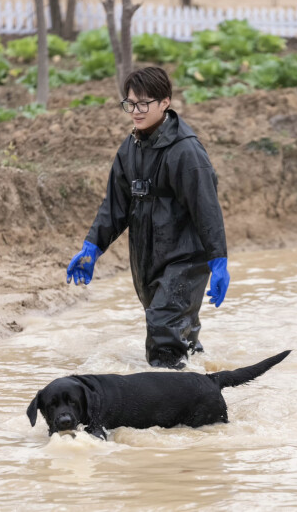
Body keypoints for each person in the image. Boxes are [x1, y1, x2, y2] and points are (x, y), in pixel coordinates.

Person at [67, 66, 229, 369]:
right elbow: (114, 206)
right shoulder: (129, 149)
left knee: (163, 333)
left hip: (185, 260)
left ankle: (167, 408)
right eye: (130, 103)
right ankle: (203, 388)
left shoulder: (186, 151)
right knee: (179, 334)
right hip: (146, 257)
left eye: (143, 104)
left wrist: (218, 260)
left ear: (164, 102)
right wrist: (93, 247)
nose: (136, 111)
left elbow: (207, 209)